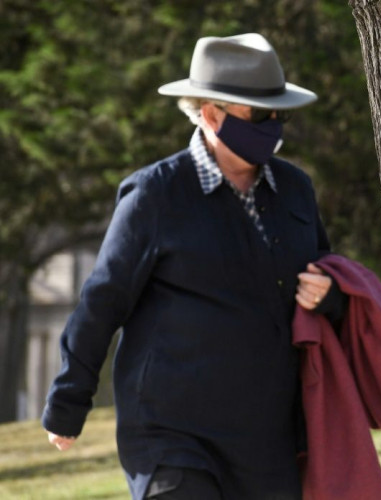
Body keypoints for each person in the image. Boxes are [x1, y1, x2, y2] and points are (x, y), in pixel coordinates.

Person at [42, 33, 345, 499]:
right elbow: (102, 302)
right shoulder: (155, 195)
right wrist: (68, 402)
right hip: (171, 434)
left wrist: (332, 297)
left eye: (279, 114)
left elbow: (328, 279)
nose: (274, 126)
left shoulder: (295, 189)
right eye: (260, 115)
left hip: (267, 438)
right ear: (211, 114)